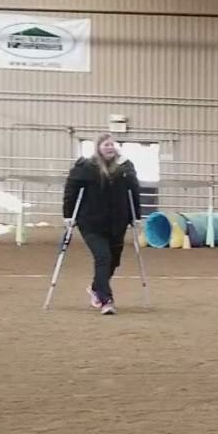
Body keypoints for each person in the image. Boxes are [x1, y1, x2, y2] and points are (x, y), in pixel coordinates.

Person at [63, 133, 142, 315]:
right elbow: (71, 190)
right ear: (98, 148)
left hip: (117, 222)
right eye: (106, 145)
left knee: (114, 260)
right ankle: (106, 300)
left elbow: (134, 190)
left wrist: (135, 216)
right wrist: (68, 215)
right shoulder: (85, 167)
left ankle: (95, 287)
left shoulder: (125, 167)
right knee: (103, 257)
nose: (109, 147)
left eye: (112, 144)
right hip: (91, 222)